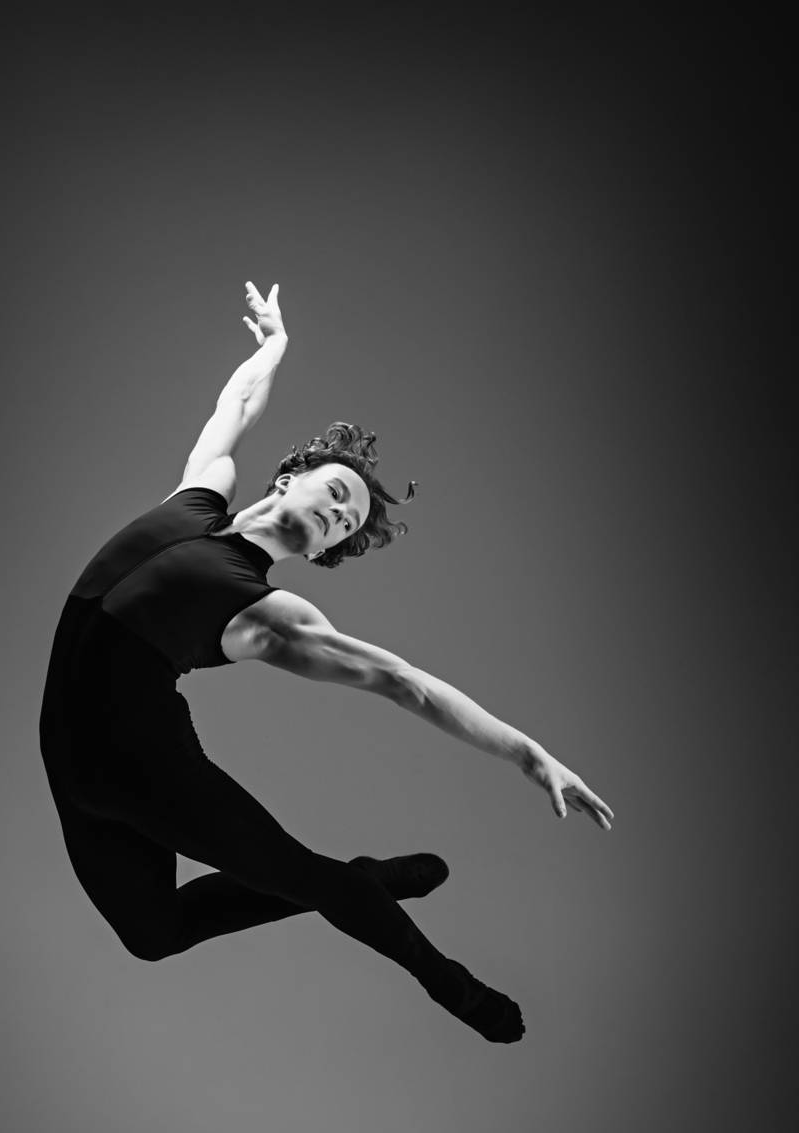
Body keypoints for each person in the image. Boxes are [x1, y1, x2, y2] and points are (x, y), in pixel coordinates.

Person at [38, 282, 614, 1044]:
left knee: (308, 877)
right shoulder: (200, 493)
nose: (341, 513)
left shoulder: (269, 615)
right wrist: (275, 346)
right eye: (340, 493)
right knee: (153, 935)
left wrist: (527, 753)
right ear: (291, 475)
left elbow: (405, 683)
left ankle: (451, 982)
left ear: (320, 552)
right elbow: (237, 404)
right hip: (69, 765)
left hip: (148, 768)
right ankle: (367, 880)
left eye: (346, 525)